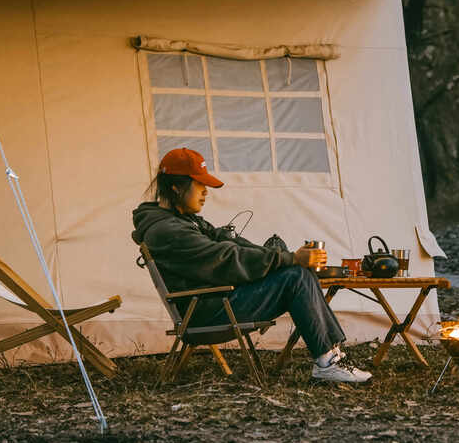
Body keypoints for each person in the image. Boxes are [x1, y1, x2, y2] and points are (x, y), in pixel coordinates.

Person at [131, 147, 370, 383]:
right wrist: (290, 259)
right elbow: (225, 258)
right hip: (206, 312)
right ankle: (328, 361)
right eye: (200, 186)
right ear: (176, 187)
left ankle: (331, 355)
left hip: (214, 301)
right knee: (296, 277)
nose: (205, 193)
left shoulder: (183, 221)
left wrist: (283, 256)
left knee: (298, 273)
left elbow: (230, 242)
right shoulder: (168, 231)